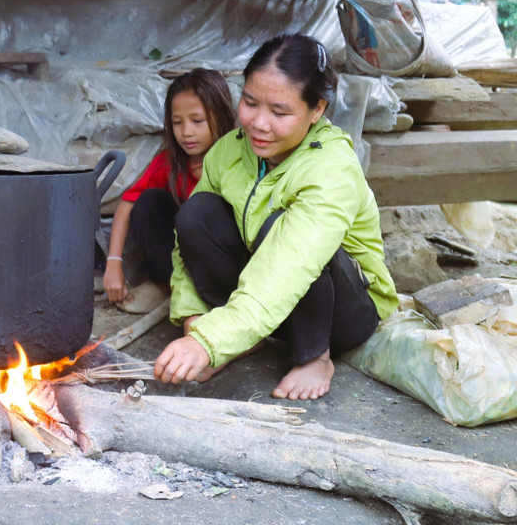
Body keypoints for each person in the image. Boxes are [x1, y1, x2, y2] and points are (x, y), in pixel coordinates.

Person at [154, 33, 398, 400]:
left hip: (343, 312)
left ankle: (315, 356)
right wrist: (195, 318)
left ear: (317, 110)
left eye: (280, 112)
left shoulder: (331, 167)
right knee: (195, 214)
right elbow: (185, 245)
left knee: (281, 230)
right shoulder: (230, 151)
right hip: (270, 303)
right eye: (250, 103)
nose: (258, 124)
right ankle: (245, 338)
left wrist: (209, 340)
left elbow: (290, 265)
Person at [103, 68, 236, 313]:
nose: (186, 132)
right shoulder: (171, 162)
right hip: (181, 259)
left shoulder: (240, 159)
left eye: (198, 121)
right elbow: (127, 204)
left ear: (223, 116)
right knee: (149, 201)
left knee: (202, 208)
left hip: (225, 264)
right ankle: (166, 284)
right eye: (177, 122)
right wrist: (114, 263)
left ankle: (217, 297)